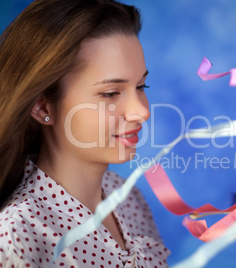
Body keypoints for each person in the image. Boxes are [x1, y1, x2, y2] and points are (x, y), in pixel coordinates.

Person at [0, 0, 170, 267]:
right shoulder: (17, 239)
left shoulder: (130, 199)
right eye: (111, 93)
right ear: (42, 106)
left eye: (141, 86)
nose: (141, 112)